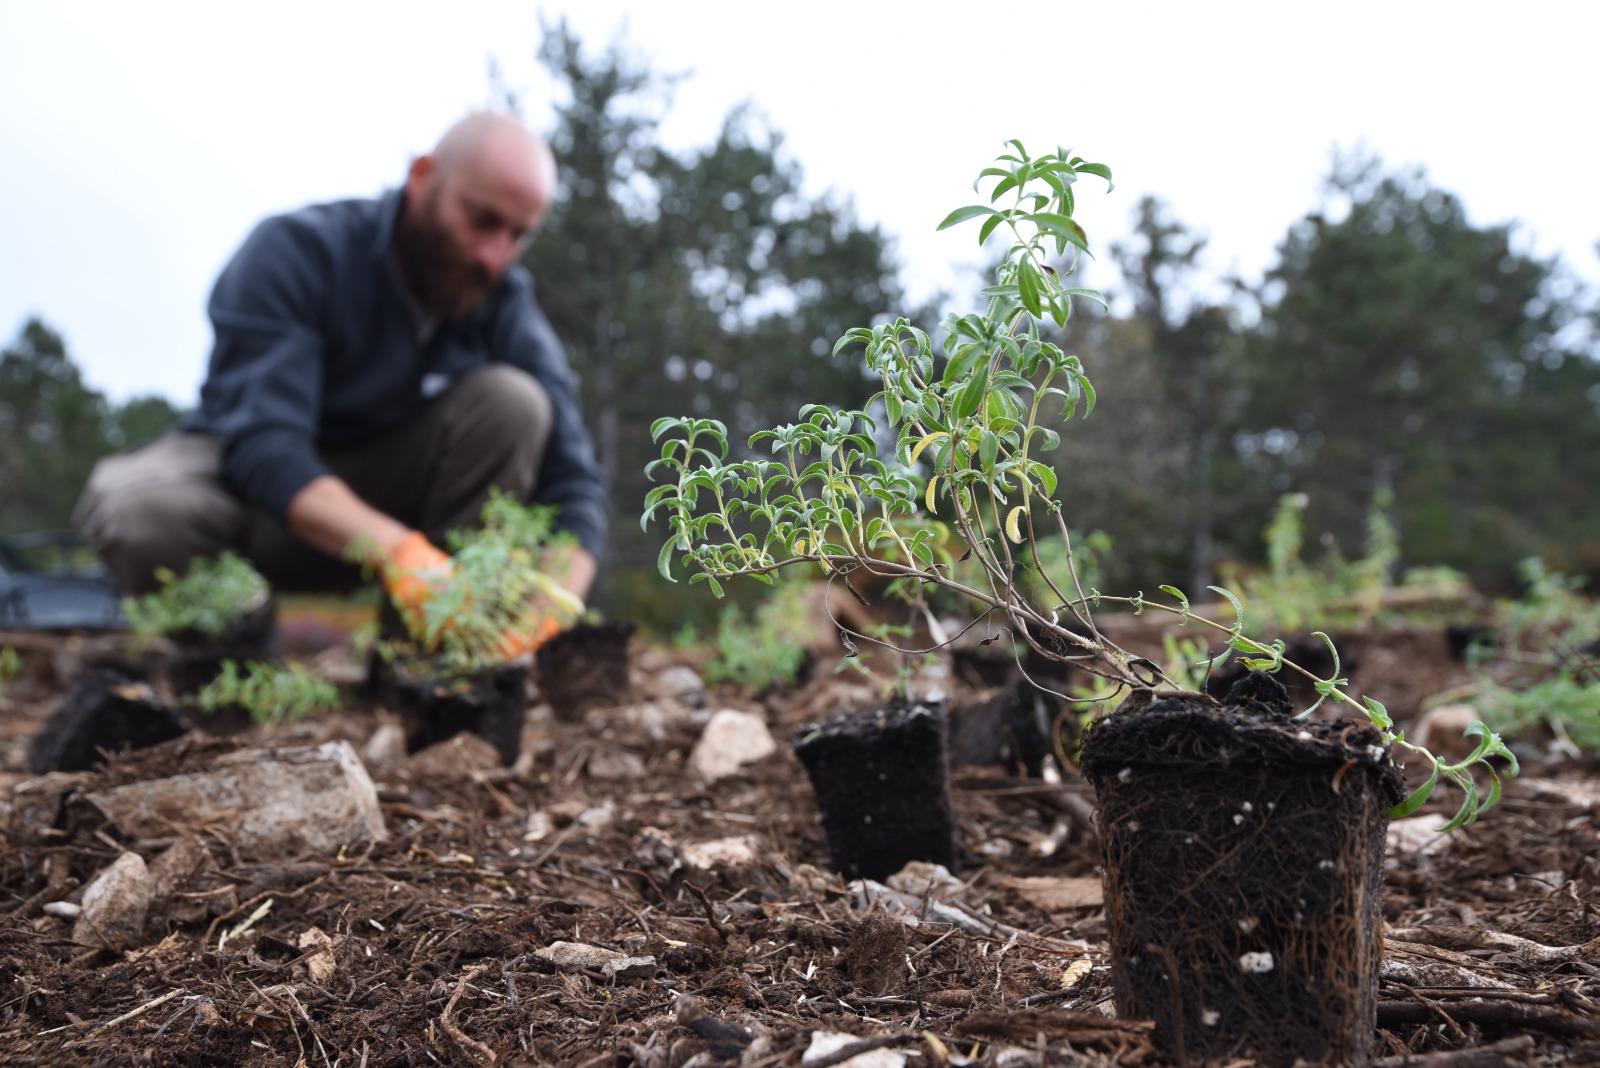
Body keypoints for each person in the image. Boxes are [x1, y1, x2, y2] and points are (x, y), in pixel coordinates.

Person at [73, 112, 606, 652]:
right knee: (138, 512)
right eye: (482, 220)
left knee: (513, 403)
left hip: (392, 506)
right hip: (253, 503)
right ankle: (235, 670)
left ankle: (429, 670)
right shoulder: (300, 251)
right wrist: (401, 554)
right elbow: (265, 447)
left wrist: (551, 610)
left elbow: (573, 484)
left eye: (519, 235)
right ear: (423, 176)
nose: (495, 255)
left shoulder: (503, 303)